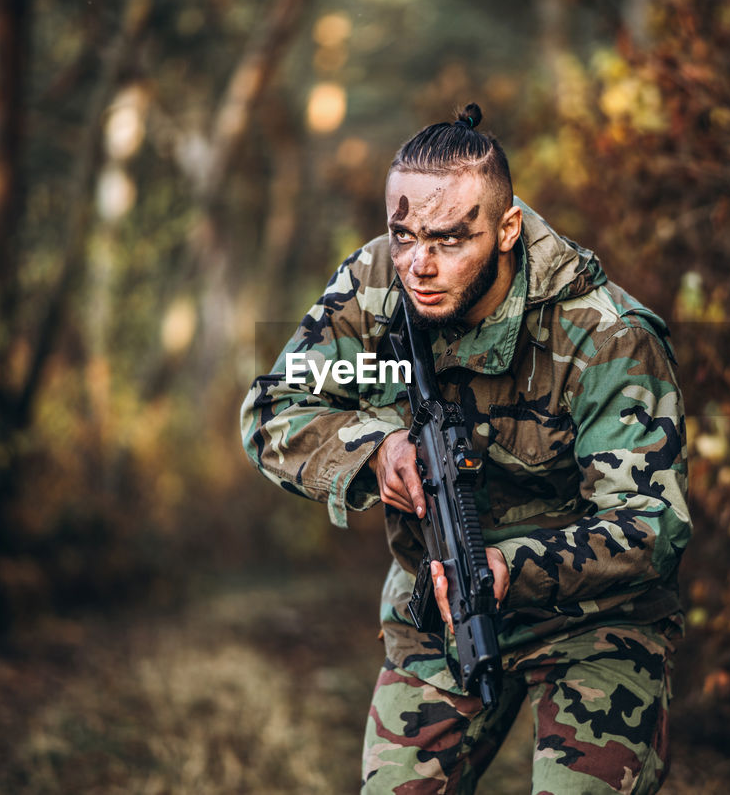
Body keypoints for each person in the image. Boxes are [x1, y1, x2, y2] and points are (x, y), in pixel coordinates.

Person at [240, 103, 690, 794]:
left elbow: (652, 524)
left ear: (507, 229)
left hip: (595, 622)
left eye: (451, 239)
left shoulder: (603, 334)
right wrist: (375, 448)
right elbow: (273, 406)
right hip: (440, 608)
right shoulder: (378, 285)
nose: (421, 264)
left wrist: (513, 564)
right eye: (404, 235)